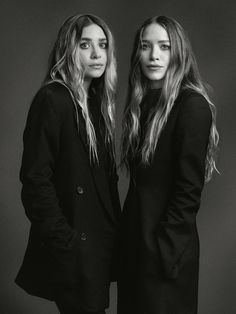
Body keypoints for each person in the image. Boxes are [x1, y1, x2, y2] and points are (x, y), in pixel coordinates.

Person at [15, 14, 121, 314]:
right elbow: (35, 180)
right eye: (85, 44)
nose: (97, 53)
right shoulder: (53, 99)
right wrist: (66, 243)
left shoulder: (97, 105)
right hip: (76, 251)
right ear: (68, 50)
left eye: (102, 44)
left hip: (99, 249)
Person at [118, 15, 219, 314]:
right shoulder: (142, 105)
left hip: (165, 257)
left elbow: (188, 191)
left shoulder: (192, 106)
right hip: (136, 251)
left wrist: (162, 251)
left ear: (179, 52)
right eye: (146, 46)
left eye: (164, 46)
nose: (154, 55)